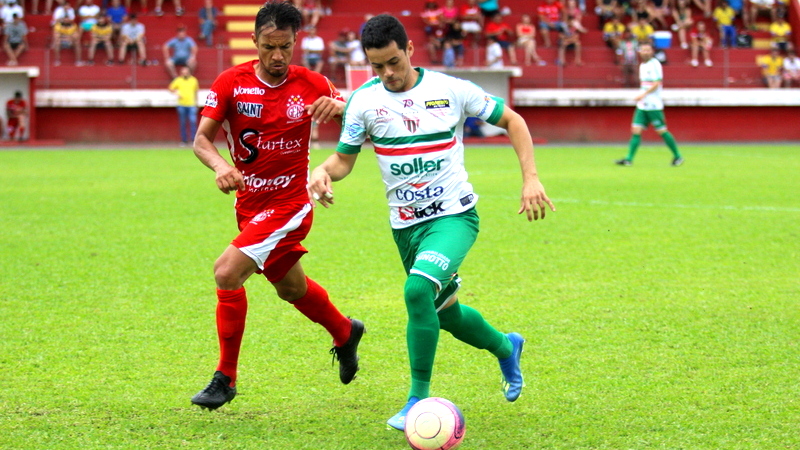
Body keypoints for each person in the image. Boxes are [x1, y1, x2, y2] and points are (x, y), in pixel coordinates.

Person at [308, 13, 554, 431]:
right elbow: (344, 159)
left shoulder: (450, 90)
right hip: (405, 227)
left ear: (409, 50)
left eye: (394, 62)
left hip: (454, 217)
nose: (387, 74)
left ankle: (415, 400)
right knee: (444, 313)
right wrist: (323, 171)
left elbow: (514, 120)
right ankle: (506, 347)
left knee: (417, 290)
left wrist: (530, 178)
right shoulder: (364, 102)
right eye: (377, 66)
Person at [190, 0, 364, 411]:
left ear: (295, 42)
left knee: (226, 272)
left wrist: (341, 108)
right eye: (269, 46)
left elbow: (364, 122)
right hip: (250, 205)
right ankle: (345, 332)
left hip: (290, 204)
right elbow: (201, 139)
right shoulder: (230, 82)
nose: (278, 56)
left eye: (286, 46)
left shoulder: (313, 83)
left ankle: (225, 379)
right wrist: (219, 166)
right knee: (291, 288)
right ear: (254, 41)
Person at [616, 43, 683, 166]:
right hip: (643, 105)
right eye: (643, 50)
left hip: (653, 105)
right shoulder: (642, 65)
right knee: (636, 130)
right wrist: (642, 96)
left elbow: (657, 83)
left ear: (652, 51)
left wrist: (643, 94)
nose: (645, 52)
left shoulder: (655, 64)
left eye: (648, 50)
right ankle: (629, 159)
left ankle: (678, 156)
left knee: (661, 131)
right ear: (639, 52)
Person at [168, 66, 199, 146]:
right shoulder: (178, 80)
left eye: (186, 72)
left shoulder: (194, 80)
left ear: (189, 72)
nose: (185, 73)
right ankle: (184, 140)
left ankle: (193, 140)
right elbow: (170, 88)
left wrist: (196, 103)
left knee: (193, 122)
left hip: (191, 104)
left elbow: (196, 92)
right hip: (181, 104)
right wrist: (177, 93)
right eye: (183, 72)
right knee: (183, 123)